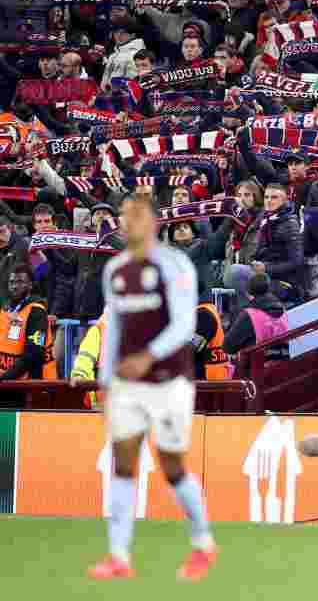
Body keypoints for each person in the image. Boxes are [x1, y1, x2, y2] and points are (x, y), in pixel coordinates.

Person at [88, 194, 216, 581]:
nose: (130, 222)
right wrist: (105, 383)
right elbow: (112, 333)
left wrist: (148, 356)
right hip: (129, 385)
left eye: (138, 215)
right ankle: (118, 555)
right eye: (126, 216)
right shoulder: (115, 270)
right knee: (123, 464)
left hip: (169, 381)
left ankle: (203, 543)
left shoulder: (175, 265)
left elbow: (183, 325)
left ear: (155, 222)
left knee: (172, 466)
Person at [0, 264, 52, 381]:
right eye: (12, 282)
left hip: (27, 385)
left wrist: (6, 377)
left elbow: (34, 352)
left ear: (30, 285)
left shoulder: (37, 312)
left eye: (20, 282)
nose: (14, 286)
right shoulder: (6, 309)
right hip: (6, 383)